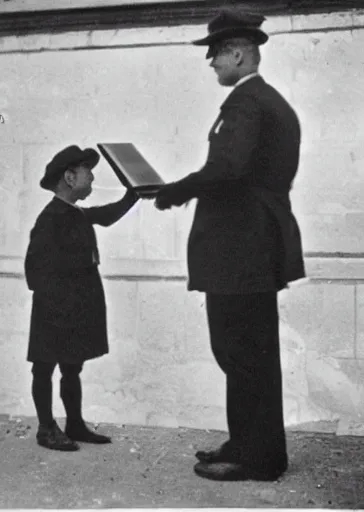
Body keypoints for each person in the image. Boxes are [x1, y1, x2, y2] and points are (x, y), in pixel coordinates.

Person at [154, 9, 305, 481]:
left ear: (238, 53)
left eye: (216, 53)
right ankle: (247, 443)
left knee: (241, 354)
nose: (211, 63)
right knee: (248, 353)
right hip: (255, 247)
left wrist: (176, 189)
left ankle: (257, 457)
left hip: (240, 251)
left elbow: (228, 170)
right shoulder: (270, 101)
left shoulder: (245, 103)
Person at [24, 145, 140, 451]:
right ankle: (46, 428)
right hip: (53, 310)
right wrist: (59, 302)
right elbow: (33, 271)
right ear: (70, 177)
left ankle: (73, 423)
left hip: (71, 308)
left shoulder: (75, 213)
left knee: (72, 367)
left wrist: (133, 195)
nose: (92, 179)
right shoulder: (51, 218)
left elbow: (106, 215)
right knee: (44, 367)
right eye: (88, 172)